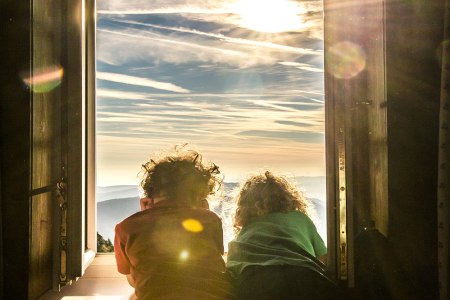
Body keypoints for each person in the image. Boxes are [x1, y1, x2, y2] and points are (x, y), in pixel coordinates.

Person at [114, 147, 235, 300]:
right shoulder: (210, 220)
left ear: (149, 195)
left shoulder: (126, 228)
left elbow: (132, 280)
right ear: (201, 197)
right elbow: (214, 265)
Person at [226, 171, 339, 300]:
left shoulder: (246, 229)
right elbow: (323, 258)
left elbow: (233, 267)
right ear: (288, 198)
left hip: (255, 279)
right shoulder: (300, 219)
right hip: (304, 275)